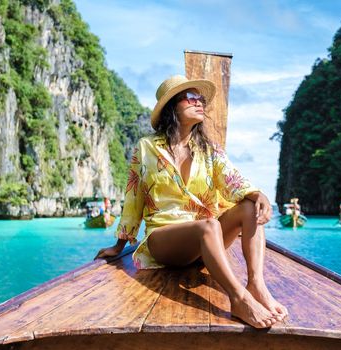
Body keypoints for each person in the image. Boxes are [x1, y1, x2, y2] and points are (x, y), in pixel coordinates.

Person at [94, 75, 287, 328]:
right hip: (164, 239)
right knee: (208, 225)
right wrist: (118, 246)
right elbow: (134, 198)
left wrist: (258, 194)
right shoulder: (147, 148)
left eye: (201, 99)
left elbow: (235, 182)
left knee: (249, 207)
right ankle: (239, 298)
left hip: (206, 242)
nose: (200, 103)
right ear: (172, 106)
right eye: (191, 97)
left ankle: (256, 284)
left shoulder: (209, 150)